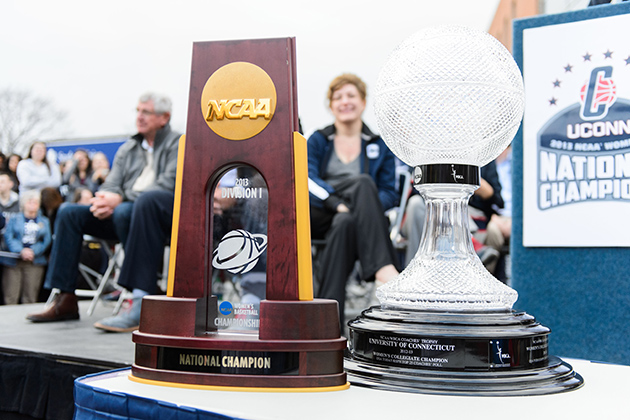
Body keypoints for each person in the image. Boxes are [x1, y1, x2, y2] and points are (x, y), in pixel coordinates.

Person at [26, 92, 180, 332]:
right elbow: (110, 184)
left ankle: (143, 297)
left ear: (164, 117)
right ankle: (64, 298)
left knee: (134, 206)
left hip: (162, 217)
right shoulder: (128, 148)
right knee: (68, 212)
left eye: (146, 112)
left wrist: (120, 199)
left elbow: (169, 183)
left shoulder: (178, 143)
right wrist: (105, 200)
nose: (139, 116)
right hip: (123, 213)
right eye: (137, 110)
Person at [308, 73, 399, 326]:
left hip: (353, 219)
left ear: (363, 102)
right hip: (321, 212)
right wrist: (335, 203)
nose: (344, 101)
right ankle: (384, 269)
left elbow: (390, 193)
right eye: (337, 97)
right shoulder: (318, 139)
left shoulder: (379, 144)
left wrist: (359, 210)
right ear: (331, 105)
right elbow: (306, 180)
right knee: (362, 182)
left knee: (346, 221)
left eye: (351, 95)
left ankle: (327, 322)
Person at [2, 190, 52, 305]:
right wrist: (21, 250)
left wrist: (33, 251)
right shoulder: (15, 219)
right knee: (11, 295)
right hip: (14, 261)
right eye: (30, 202)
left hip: (35, 261)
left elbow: (46, 240)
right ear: (24, 204)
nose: (33, 205)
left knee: (30, 296)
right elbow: (8, 236)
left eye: (35, 202)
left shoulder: (44, 221)